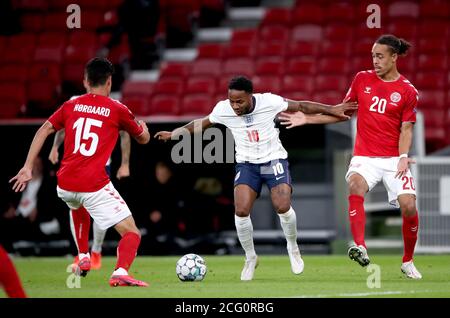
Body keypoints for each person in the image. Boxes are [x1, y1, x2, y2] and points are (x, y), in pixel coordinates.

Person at [155, 76, 357, 281]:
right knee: (241, 210)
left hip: (273, 160)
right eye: (232, 101)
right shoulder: (223, 109)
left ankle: (293, 247)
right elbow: (202, 124)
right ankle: (250, 257)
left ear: (250, 97)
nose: (235, 106)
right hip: (247, 164)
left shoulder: (269, 102)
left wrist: (333, 109)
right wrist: (174, 134)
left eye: (239, 101)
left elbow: (302, 105)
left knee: (282, 206)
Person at [278, 34, 421, 279]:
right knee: (355, 185)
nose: (375, 61)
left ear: (394, 57)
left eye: (380, 56)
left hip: (392, 159)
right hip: (364, 156)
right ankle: (360, 246)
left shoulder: (408, 91)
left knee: (408, 207)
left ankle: (408, 261)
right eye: (373, 56)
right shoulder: (362, 79)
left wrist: (403, 156)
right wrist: (308, 119)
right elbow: (342, 113)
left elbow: (406, 128)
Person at [10, 57, 151, 287]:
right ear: (109, 82)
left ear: (85, 80)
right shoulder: (117, 108)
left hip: (64, 183)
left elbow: (45, 129)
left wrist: (27, 167)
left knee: (77, 205)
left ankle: (84, 256)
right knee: (131, 233)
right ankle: (120, 271)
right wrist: (144, 130)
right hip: (93, 183)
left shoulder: (71, 105)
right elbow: (142, 139)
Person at [49, 128, 131, 270]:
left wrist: (125, 164)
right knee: (75, 206)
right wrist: (55, 147)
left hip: (100, 166)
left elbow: (124, 132)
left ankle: (96, 252)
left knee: (99, 211)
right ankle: (83, 254)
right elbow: (62, 128)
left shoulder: (112, 107)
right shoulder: (75, 106)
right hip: (76, 165)